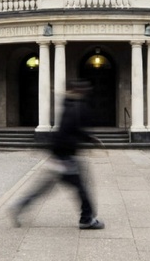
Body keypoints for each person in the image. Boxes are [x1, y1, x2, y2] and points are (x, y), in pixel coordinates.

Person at [9, 79, 105, 230]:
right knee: (81, 188)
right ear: (77, 91)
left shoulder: (70, 106)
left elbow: (70, 130)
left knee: (44, 187)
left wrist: (88, 138)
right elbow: (65, 132)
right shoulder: (75, 108)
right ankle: (86, 219)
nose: (85, 93)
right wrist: (62, 155)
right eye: (82, 90)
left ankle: (20, 205)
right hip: (65, 157)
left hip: (61, 156)